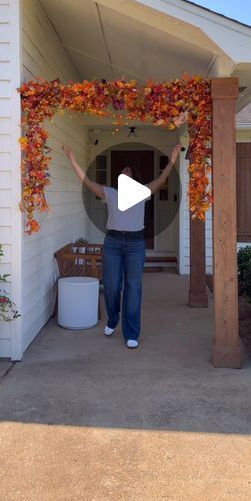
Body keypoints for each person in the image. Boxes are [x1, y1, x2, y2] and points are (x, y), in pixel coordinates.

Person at [62, 143, 182, 349]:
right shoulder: (110, 193)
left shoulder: (143, 191)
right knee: (110, 286)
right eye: (121, 171)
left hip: (135, 243)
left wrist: (172, 158)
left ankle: (131, 332)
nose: (123, 172)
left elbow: (162, 179)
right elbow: (87, 181)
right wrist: (72, 160)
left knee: (133, 288)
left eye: (127, 170)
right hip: (113, 243)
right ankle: (113, 318)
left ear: (134, 177)